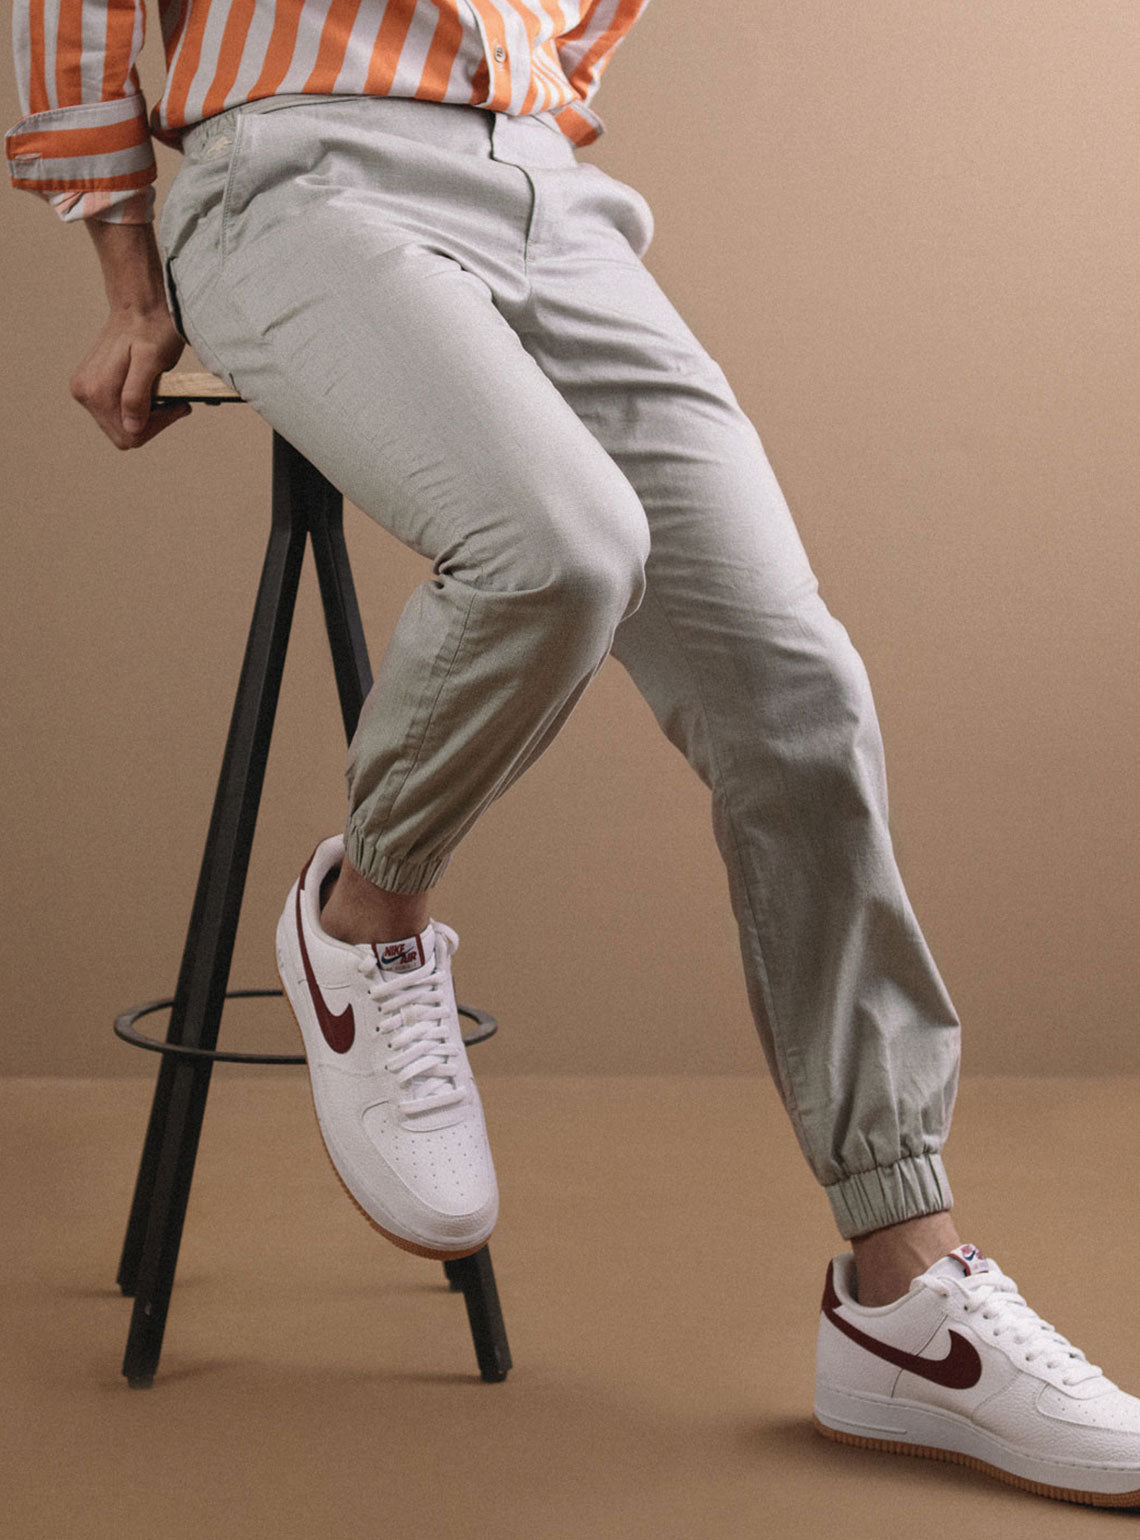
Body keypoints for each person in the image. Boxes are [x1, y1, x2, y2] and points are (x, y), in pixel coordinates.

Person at [8, 0, 1138, 1508]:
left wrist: (530, 82)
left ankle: (904, 1290)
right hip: (294, 176)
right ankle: (366, 911)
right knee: (562, 549)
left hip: (548, 192)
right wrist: (127, 270)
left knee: (801, 696)